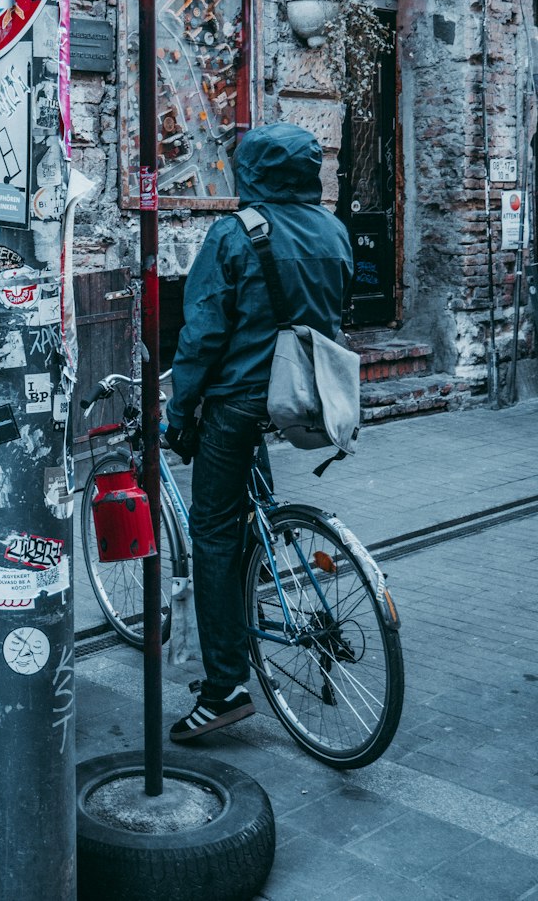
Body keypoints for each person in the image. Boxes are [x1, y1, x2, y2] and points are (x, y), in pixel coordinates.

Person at [163, 123, 352, 742]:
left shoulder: (236, 234)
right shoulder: (333, 230)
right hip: (299, 395)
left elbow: (202, 336)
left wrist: (178, 410)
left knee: (211, 533)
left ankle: (224, 688)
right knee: (250, 517)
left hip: (238, 400)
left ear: (252, 172)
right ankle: (258, 574)